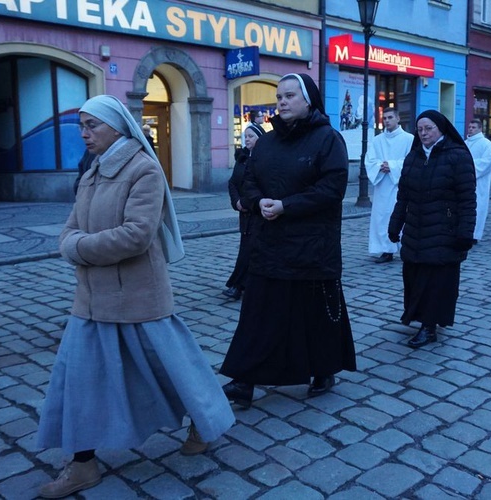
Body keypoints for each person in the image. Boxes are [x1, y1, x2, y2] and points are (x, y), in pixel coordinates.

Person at [35, 95, 234, 499]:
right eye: (82, 125)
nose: (85, 133)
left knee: (172, 371)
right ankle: (83, 464)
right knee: (79, 380)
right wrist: (74, 242)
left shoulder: (143, 169)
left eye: (92, 125)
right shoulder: (92, 171)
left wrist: (77, 248)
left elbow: (136, 235)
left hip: (138, 297)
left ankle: (204, 422)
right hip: (91, 302)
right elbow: (69, 227)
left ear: (117, 126)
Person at [219, 73, 356, 407]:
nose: (281, 101)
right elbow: (248, 179)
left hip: (312, 247)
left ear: (308, 100)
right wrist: (257, 202)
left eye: (289, 96)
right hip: (270, 244)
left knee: (316, 316)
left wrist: (286, 206)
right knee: (258, 315)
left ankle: (324, 369)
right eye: (279, 96)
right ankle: (244, 380)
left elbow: (332, 189)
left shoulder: (328, 139)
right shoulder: (266, 141)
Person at [388, 110, 477, 348]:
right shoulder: (413, 157)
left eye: (429, 128)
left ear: (441, 129)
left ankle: (429, 327)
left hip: (444, 232)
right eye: (420, 129)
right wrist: (395, 225)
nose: (424, 133)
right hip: (416, 230)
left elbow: (467, 199)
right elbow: (403, 196)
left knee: (436, 282)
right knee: (415, 278)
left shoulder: (458, 156)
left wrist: (465, 233)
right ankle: (418, 317)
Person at [365, 107, 414, 263]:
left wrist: (392, 166)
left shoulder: (409, 139)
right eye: (384, 118)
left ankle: (405, 248)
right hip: (382, 185)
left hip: (401, 185)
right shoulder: (377, 140)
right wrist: (380, 166)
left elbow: (411, 160)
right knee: (381, 218)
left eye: (390, 117)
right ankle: (385, 250)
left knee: (400, 216)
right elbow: (370, 160)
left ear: (398, 118)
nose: (386, 121)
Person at [223, 123, 264, 300]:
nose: (247, 139)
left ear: (260, 138)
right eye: (245, 136)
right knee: (248, 249)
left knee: (249, 251)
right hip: (244, 213)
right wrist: (237, 202)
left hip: (257, 212)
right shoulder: (242, 158)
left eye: (251, 136)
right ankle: (249, 285)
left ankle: (237, 286)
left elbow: (260, 186)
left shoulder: (265, 159)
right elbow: (233, 183)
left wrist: (248, 202)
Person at [465, 120, 491, 241]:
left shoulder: (486, 144)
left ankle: (475, 235)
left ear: (480, 129)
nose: (470, 129)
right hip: (464, 181)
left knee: (478, 206)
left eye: (473, 127)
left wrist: (468, 168)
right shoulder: (465, 143)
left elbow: (489, 162)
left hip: (479, 182)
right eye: (469, 126)